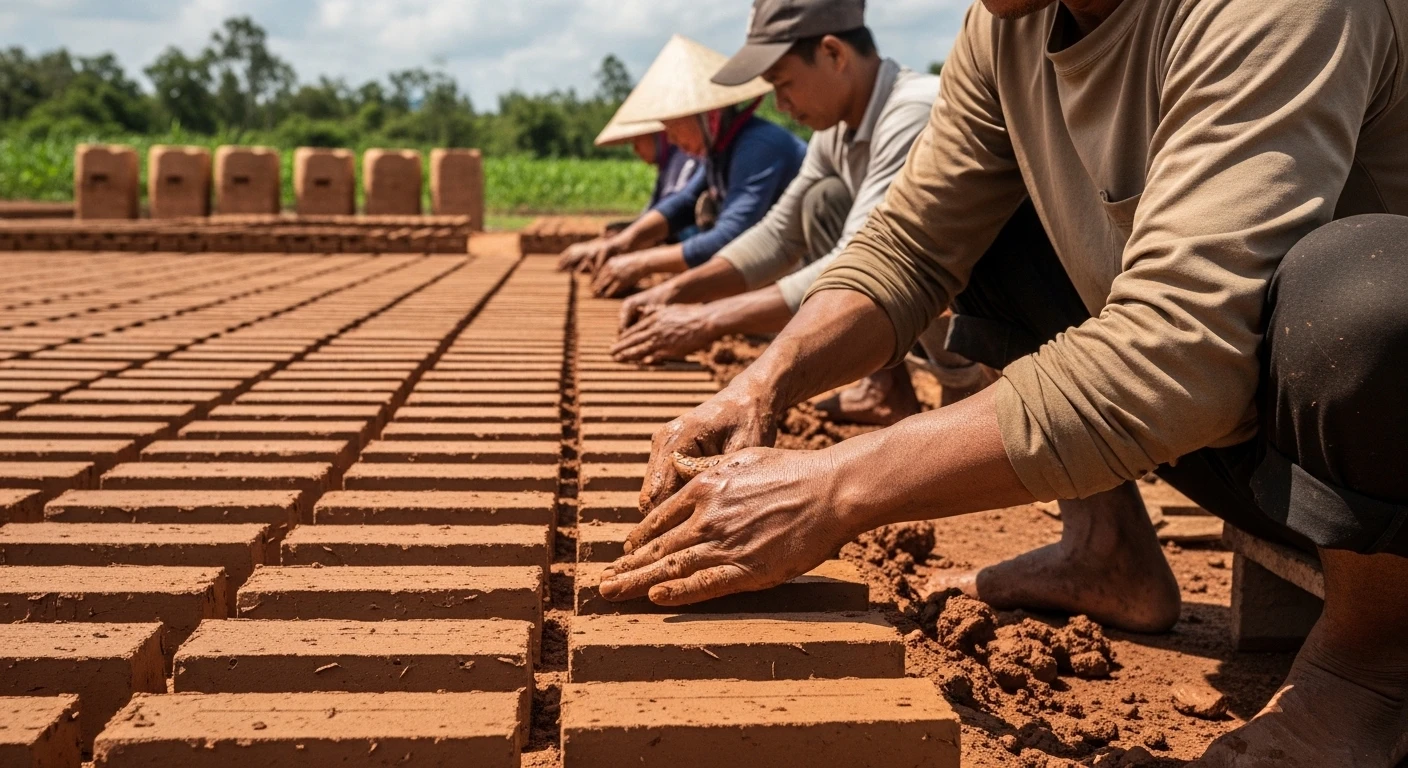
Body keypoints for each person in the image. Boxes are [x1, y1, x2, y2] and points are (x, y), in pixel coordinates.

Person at [600, 0, 1408, 765]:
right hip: (1234, 427)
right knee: (988, 230)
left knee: (1364, 298)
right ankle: (1106, 551)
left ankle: (1371, 664)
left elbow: (1180, 348)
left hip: (1366, 452)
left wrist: (832, 488)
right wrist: (763, 382)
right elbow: (912, 246)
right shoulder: (1008, 27)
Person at [610, 0, 948, 426]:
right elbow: (779, 234)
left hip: (1001, 312)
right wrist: (675, 292)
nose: (781, 104)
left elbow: (867, 264)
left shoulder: (912, 113)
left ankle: (971, 384)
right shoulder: (837, 128)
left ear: (833, 54)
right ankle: (887, 389)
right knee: (821, 200)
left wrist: (709, 319)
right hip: (925, 297)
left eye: (782, 82)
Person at [557, 35, 807, 298]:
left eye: (673, 129)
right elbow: (684, 203)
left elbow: (730, 237)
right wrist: (621, 243)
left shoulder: (758, 146)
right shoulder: (720, 149)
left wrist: (642, 262)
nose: (673, 141)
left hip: (809, 273)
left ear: (707, 117)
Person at [560, 117, 701, 263]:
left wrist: (616, 245)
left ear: (659, 136)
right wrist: (611, 240)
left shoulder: (685, 158)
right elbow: (651, 216)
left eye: (637, 140)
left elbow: (674, 220)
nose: (635, 149)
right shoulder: (667, 166)